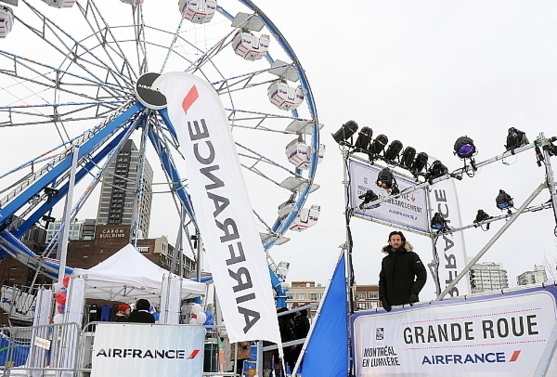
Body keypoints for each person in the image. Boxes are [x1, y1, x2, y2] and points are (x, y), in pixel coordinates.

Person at [379, 231, 427, 312]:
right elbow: (382, 280)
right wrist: (383, 298)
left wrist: (414, 292)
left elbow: (422, 274)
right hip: (391, 306)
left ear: (402, 241)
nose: (396, 242)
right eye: (393, 240)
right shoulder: (386, 260)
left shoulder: (411, 256)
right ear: (390, 242)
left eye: (398, 239)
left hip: (409, 302)